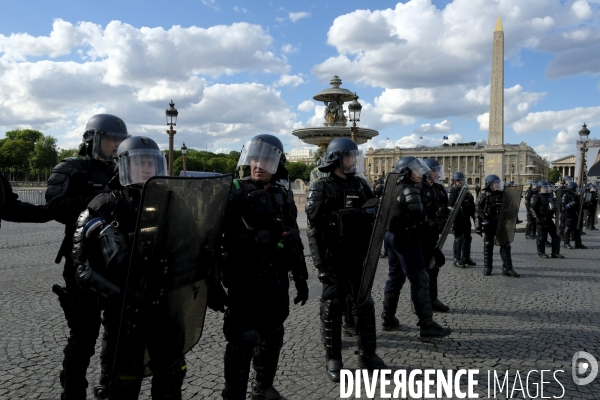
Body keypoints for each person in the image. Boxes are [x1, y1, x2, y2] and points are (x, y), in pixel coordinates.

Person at [72, 136, 200, 398]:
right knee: (122, 381)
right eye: (139, 163)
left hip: (166, 306)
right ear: (123, 166)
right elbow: (81, 263)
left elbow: (193, 244)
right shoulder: (106, 204)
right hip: (125, 312)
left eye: (152, 163)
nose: (146, 169)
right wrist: (111, 292)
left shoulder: (173, 202)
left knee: (172, 373)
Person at [46, 114, 130, 400]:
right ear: (92, 140)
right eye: (110, 139)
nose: (116, 145)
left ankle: (109, 387)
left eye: (120, 140)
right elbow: (57, 205)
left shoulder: (127, 169)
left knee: (118, 332)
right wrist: (96, 201)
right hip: (83, 262)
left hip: (119, 263)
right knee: (83, 336)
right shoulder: (72, 168)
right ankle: (73, 392)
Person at [220, 134, 308, 400]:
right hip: (243, 281)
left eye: (267, 160)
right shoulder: (233, 192)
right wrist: (214, 283)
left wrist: (301, 277)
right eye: (255, 159)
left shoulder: (283, 195)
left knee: (273, 334)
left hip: (276, 280)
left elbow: (293, 237)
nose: (259, 165)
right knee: (242, 339)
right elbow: (212, 240)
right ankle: (233, 394)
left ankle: (263, 386)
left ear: (277, 164)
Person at [306, 137, 385, 382]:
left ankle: (368, 355)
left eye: (354, 156)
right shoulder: (322, 187)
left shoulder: (360, 186)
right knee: (333, 307)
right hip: (333, 258)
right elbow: (313, 230)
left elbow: (375, 215)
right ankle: (334, 359)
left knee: (364, 304)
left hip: (357, 256)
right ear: (337, 159)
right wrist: (320, 265)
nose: (353, 160)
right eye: (349, 156)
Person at [380, 156, 452, 338]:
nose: (421, 173)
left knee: (394, 278)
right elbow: (420, 223)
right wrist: (434, 244)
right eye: (417, 170)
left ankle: (388, 317)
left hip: (391, 237)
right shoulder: (410, 191)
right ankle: (426, 324)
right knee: (420, 279)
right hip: (406, 239)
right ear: (406, 173)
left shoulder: (394, 188)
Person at [475, 175, 520, 277]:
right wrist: (478, 226)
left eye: (498, 183)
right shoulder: (483, 196)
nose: (497, 185)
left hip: (501, 224)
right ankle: (488, 267)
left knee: (505, 245)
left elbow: (512, 209)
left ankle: (507, 268)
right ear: (489, 184)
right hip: (489, 224)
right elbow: (477, 211)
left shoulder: (504, 195)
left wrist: (513, 221)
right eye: (495, 183)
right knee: (488, 245)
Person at [420, 158, 450, 312]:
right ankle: (420, 302)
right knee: (422, 271)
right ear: (426, 172)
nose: (438, 173)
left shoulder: (439, 188)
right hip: (421, 235)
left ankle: (433, 298)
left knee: (434, 267)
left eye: (439, 170)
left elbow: (444, 208)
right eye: (435, 170)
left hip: (434, 235)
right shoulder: (418, 188)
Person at [529, 181, 564, 259]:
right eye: (543, 188)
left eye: (546, 187)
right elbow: (532, 209)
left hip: (548, 218)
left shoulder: (550, 196)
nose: (545, 189)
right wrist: (537, 219)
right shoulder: (536, 196)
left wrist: (557, 203)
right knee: (542, 237)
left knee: (556, 236)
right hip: (541, 219)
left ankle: (555, 252)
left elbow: (554, 206)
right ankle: (541, 252)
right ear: (539, 188)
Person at [448, 172, 476, 268]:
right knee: (459, 239)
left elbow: (472, 206)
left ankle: (466, 257)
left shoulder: (467, 192)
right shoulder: (453, 191)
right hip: (458, 219)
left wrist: (475, 218)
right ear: (455, 182)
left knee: (468, 238)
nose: (460, 182)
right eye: (458, 180)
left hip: (466, 218)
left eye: (461, 180)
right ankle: (457, 259)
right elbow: (451, 205)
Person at [561, 181, 587, 249]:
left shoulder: (576, 196)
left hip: (575, 215)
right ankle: (566, 243)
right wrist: (568, 215)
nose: (576, 190)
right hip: (568, 215)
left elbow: (579, 205)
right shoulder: (565, 195)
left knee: (577, 229)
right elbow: (563, 207)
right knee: (567, 229)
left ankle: (578, 243)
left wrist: (584, 203)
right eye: (575, 188)